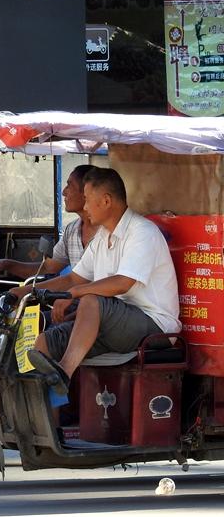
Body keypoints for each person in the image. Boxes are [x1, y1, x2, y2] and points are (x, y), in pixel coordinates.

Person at [14, 167, 181, 396]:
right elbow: (73, 278)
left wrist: (74, 293)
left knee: (91, 300)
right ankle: (44, 416)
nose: (84, 207)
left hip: (153, 325)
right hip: (114, 323)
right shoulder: (102, 237)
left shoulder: (142, 232)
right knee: (46, 342)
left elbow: (122, 283)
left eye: (88, 200)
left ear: (106, 201)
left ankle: (64, 371)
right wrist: (22, 292)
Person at [0, 165, 98, 279]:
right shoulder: (71, 230)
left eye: (69, 185)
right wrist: (6, 264)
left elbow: (74, 282)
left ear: (86, 191)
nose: (63, 192)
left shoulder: (105, 232)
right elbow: (48, 267)